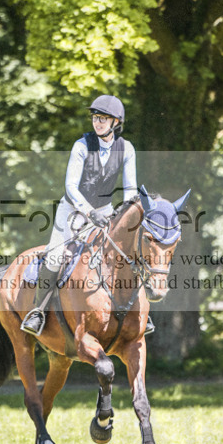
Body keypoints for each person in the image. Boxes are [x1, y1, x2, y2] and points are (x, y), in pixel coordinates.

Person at [21, 94, 139, 336]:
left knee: (127, 255)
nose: (97, 122)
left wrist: (126, 215)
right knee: (55, 255)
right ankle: (38, 311)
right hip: (73, 209)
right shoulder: (82, 145)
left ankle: (138, 313)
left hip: (106, 210)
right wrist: (88, 212)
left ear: (116, 122)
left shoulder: (126, 148)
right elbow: (71, 187)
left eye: (103, 118)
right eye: (95, 118)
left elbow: (130, 190)